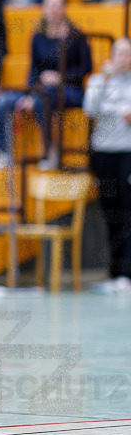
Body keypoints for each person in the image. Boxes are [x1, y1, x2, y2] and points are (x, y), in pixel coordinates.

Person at [0, 0, 92, 170]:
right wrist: (28, 93)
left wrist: (61, 77)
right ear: (44, 8)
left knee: (43, 98)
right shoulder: (37, 37)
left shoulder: (76, 35)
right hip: (40, 90)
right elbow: (34, 69)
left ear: (64, 8)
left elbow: (87, 68)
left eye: (58, 4)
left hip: (70, 90)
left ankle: (50, 151)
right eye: (50, 4)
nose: (54, 9)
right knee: (3, 100)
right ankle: (3, 152)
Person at [85, 38, 131, 295]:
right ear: (112, 55)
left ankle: (127, 273)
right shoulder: (97, 80)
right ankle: (114, 273)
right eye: (120, 53)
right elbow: (90, 109)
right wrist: (104, 80)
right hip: (104, 154)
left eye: (128, 54)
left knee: (128, 212)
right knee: (110, 213)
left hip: (128, 153)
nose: (124, 58)